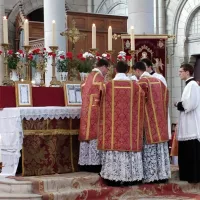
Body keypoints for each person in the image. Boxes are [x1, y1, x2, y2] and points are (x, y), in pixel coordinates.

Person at [98, 61, 145, 186]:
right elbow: (141, 103)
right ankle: (131, 176)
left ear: (115, 70)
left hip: (114, 126)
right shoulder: (135, 86)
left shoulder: (107, 85)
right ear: (128, 70)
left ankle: (113, 176)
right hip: (129, 128)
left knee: (114, 146)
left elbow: (99, 102)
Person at [133, 61, 171, 183]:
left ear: (138, 70)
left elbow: (136, 102)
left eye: (135, 72)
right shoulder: (159, 82)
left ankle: (151, 176)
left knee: (149, 147)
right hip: (159, 121)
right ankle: (162, 174)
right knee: (159, 148)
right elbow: (166, 98)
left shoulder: (143, 82)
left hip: (148, 121)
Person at [78, 59, 109, 173]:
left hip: (86, 110)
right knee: (94, 136)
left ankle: (85, 163)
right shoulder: (99, 78)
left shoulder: (88, 77)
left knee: (87, 136)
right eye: (107, 69)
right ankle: (95, 164)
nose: (107, 72)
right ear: (103, 67)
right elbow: (106, 93)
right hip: (96, 111)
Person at [174, 63, 200, 183]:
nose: (179, 73)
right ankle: (187, 175)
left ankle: (193, 176)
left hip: (192, 126)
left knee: (191, 151)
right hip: (188, 123)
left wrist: (178, 104)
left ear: (187, 72)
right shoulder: (189, 85)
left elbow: (190, 104)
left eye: (181, 71)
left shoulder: (193, 85)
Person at [142, 58, 171, 140]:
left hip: (157, 107)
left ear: (149, 67)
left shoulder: (159, 77)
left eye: (144, 67)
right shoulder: (141, 79)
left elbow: (164, 93)